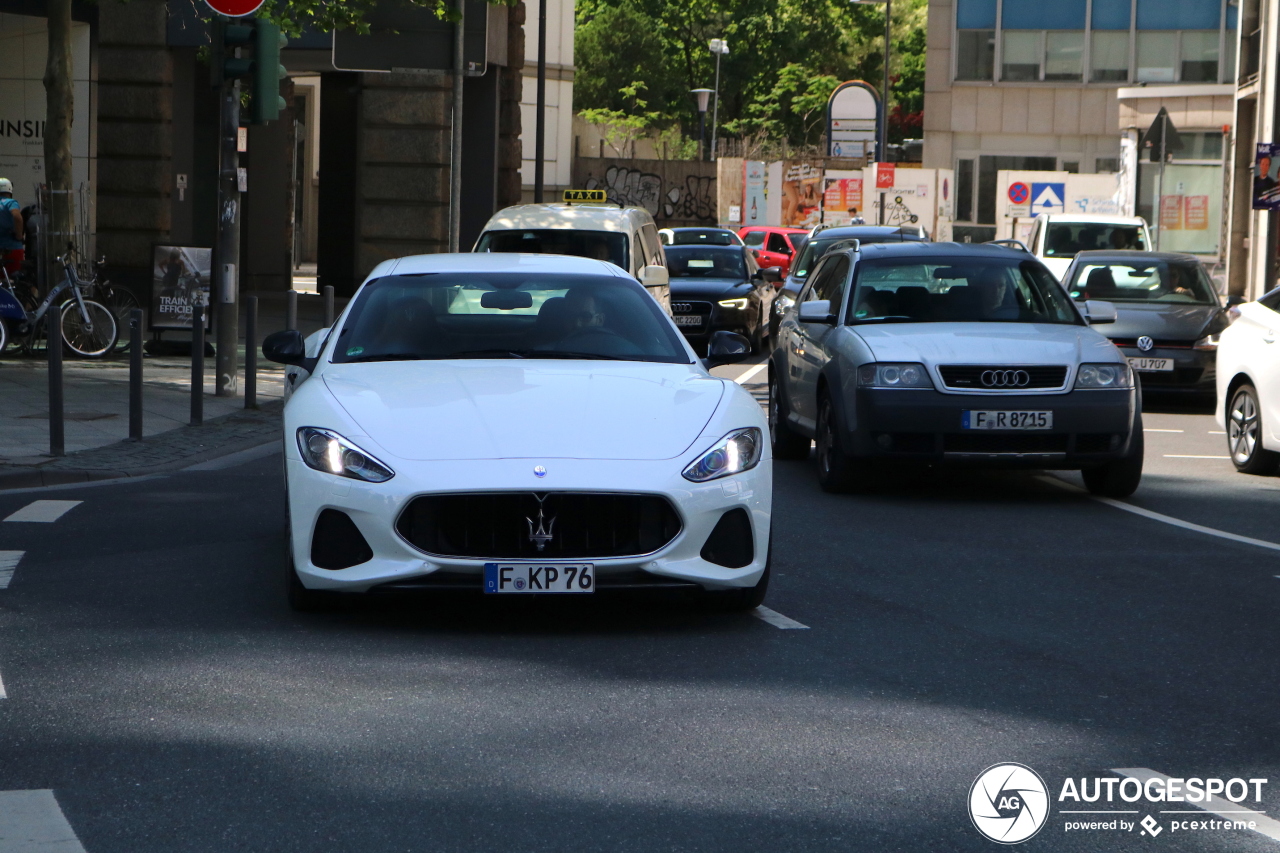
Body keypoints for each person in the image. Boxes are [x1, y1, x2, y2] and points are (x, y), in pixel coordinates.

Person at [0, 178, 25, 278]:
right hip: (13, 248)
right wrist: (19, 235)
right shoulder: (11, 203)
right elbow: (17, 216)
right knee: (16, 278)